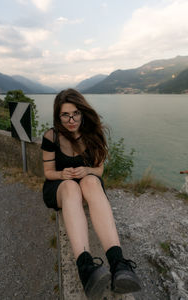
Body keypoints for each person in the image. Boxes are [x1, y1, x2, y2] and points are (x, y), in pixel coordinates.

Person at [41, 89, 141, 298]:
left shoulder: (93, 133)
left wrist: (87, 170)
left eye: (75, 113)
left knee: (91, 181)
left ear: (82, 112)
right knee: (70, 186)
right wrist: (62, 173)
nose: (71, 120)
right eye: (65, 115)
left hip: (87, 182)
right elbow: (48, 173)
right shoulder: (52, 136)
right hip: (60, 186)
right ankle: (86, 269)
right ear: (57, 116)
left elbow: (99, 170)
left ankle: (119, 264)